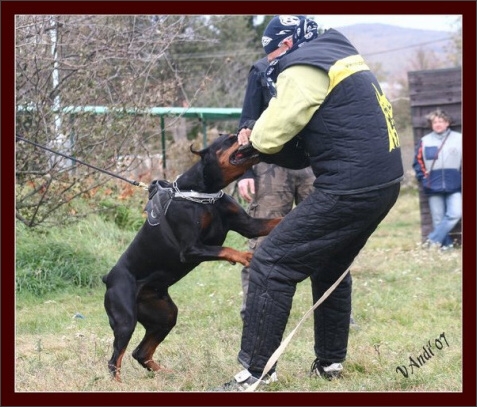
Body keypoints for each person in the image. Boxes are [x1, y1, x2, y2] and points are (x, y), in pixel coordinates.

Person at [217, 15, 403, 391]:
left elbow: (272, 134)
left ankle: (254, 374)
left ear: (285, 46)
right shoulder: (340, 57)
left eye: (271, 53)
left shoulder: (303, 65)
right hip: (382, 182)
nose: (270, 61)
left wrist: (252, 138)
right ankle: (331, 363)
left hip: (350, 186)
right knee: (330, 264)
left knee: (271, 264)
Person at [236, 55, 315, 322]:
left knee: (327, 237)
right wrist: (246, 170)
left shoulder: (314, 65)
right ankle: (253, 309)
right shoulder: (260, 69)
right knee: (262, 241)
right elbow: (248, 120)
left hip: (314, 163)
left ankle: (333, 310)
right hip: (270, 166)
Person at [412, 109, 462, 250]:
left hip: (455, 185)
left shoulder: (459, 138)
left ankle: (432, 241)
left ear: (447, 123)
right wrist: (424, 178)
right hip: (432, 186)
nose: (438, 124)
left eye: (441, 121)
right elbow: (418, 162)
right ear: (431, 124)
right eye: (435, 122)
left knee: (456, 213)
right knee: (438, 220)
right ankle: (447, 247)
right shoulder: (425, 141)